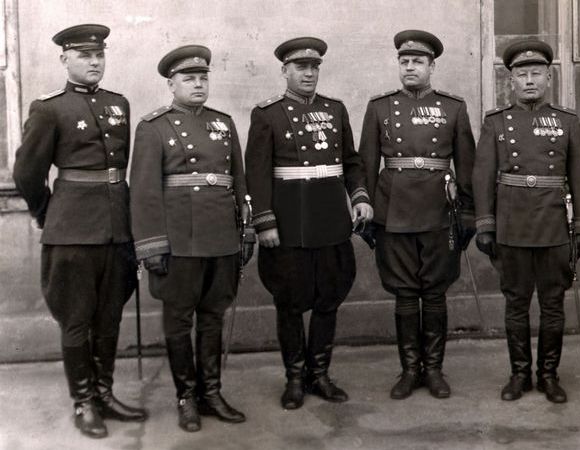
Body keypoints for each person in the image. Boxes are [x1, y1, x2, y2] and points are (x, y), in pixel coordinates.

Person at [12, 24, 147, 438]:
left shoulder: (118, 104)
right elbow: (27, 173)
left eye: (99, 55)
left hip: (116, 229)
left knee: (109, 317)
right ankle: (84, 401)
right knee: (76, 319)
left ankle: (104, 394)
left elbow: (119, 170)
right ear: (65, 59)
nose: (94, 62)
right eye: (85, 55)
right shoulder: (49, 108)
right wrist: (47, 213)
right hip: (71, 231)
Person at [130, 45, 253, 431]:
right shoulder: (154, 126)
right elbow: (144, 192)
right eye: (188, 78)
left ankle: (211, 393)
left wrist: (245, 229)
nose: (198, 84)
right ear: (172, 84)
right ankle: (186, 397)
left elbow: (239, 181)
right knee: (180, 321)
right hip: (179, 241)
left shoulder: (223, 123)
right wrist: (151, 245)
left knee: (213, 317)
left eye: (203, 77)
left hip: (221, 238)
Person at [245, 36, 373, 410]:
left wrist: (360, 197)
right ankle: (295, 378)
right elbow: (257, 173)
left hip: (330, 219)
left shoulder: (335, 110)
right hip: (288, 224)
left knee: (328, 299)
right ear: (285, 71)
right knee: (289, 302)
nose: (309, 74)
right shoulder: (267, 114)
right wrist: (264, 222)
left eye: (314, 67)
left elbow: (351, 162)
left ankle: (320, 375)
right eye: (301, 67)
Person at [472, 39, 580, 404]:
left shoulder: (567, 121)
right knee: (516, 303)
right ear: (511, 80)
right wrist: (485, 224)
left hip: (554, 226)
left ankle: (549, 375)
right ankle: (520, 374)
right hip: (511, 226)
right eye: (521, 74)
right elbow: (482, 175)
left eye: (536, 74)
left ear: (548, 79)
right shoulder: (496, 122)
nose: (529, 81)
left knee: (553, 304)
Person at [359, 30, 476, 400]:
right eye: (404, 61)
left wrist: (468, 214)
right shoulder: (379, 107)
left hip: (439, 209)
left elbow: (467, 166)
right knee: (405, 292)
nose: (410, 67)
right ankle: (410, 370)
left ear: (432, 66)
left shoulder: (453, 107)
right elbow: (366, 163)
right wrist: (365, 206)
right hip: (393, 209)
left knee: (435, 291)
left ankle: (435, 370)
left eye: (418, 61)